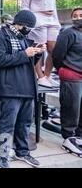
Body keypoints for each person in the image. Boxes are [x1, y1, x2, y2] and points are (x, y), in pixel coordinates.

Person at [0, 10, 46, 168]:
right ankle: (2, 155)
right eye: (27, 26)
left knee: (25, 123)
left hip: (28, 87)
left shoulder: (24, 38)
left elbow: (28, 60)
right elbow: (1, 60)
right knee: (7, 124)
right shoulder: (0, 36)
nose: (28, 30)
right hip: (10, 88)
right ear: (20, 23)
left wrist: (37, 52)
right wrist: (25, 53)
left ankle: (22, 152)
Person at [21, 0, 60, 87]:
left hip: (52, 20)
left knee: (54, 50)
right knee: (38, 49)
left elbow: (53, 6)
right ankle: (40, 76)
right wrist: (30, 21)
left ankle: (47, 75)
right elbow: (25, 7)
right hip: (38, 21)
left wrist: (57, 20)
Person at [52, 8, 82, 156]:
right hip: (71, 75)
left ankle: (79, 136)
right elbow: (57, 54)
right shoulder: (68, 33)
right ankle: (68, 138)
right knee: (72, 108)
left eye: (81, 15)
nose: (78, 18)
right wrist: (62, 69)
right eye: (75, 16)